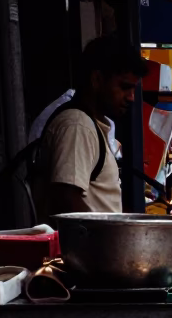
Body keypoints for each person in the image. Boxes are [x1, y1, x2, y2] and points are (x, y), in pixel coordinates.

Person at [36, 35, 148, 219]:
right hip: (90, 247)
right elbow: (66, 202)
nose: (131, 97)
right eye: (125, 87)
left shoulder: (90, 125)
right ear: (97, 80)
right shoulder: (77, 126)